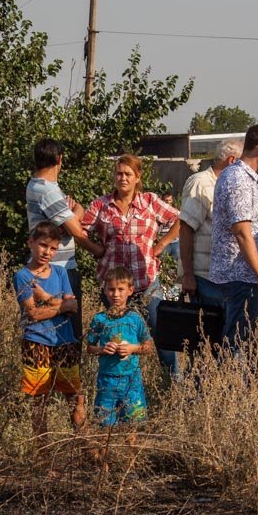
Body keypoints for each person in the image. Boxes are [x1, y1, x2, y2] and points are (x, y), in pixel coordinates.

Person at [81, 154, 180, 375]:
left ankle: (173, 381)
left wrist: (161, 244)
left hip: (146, 282)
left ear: (138, 177)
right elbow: (81, 231)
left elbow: (180, 219)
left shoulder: (150, 202)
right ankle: (122, 380)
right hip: (114, 287)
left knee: (161, 333)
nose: (123, 178)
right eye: (119, 173)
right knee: (117, 334)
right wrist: (96, 249)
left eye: (128, 174)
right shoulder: (101, 205)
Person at [208, 124, 258, 356]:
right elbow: (242, 232)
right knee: (237, 345)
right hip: (238, 275)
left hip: (243, 275)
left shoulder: (247, 178)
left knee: (247, 344)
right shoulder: (237, 179)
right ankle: (230, 379)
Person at [14, 221, 86, 441]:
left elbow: (73, 306)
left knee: (75, 396)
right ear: (31, 243)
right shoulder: (23, 276)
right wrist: (62, 306)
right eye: (43, 245)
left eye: (53, 248)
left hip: (65, 341)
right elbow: (33, 314)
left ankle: (83, 444)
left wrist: (45, 297)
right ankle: (43, 451)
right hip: (36, 342)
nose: (47, 252)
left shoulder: (60, 272)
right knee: (39, 400)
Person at [26, 139, 103, 341]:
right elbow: (76, 230)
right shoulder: (47, 191)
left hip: (54, 267)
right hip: (57, 268)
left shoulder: (40, 186)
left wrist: (70, 216)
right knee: (65, 331)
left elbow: (66, 225)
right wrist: (98, 251)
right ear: (59, 159)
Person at [86, 267, 153, 439]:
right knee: (104, 425)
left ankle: (131, 456)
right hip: (106, 380)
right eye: (111, 289)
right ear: (105, 290)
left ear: (130, 290)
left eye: (120, 289)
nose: (116, 294)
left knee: (132, 425)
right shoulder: (99, 319)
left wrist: (132, 348)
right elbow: (89, 348)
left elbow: (148, 346)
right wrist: (102, 349)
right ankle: (106, 456)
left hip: (132, 380)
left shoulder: (135, 319)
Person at [179, 139, 242, 317]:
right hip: (204, 278)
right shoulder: (201, 182)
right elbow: (186, 228)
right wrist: (188, 275)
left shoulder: (230, 185)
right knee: (207, 329)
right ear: (232, 160)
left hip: (224, 277)